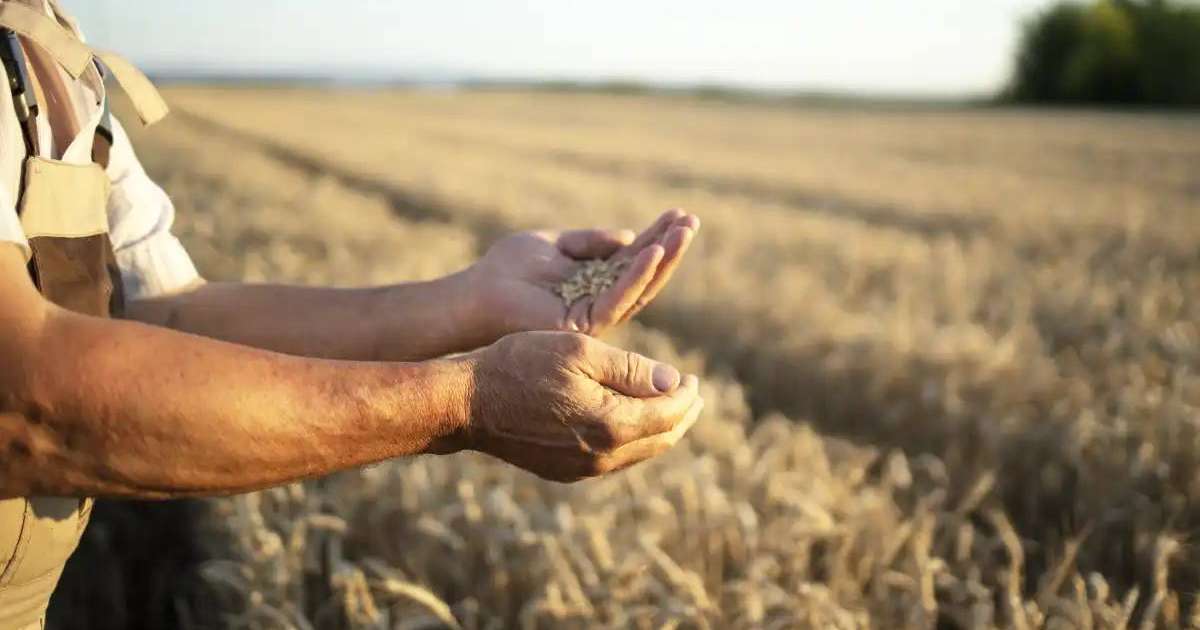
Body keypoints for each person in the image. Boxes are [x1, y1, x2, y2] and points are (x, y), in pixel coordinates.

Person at [0, 1, 703, 627]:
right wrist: (468, 402)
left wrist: (472, 298)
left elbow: (165, 316)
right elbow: (23, 397)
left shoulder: (50, 46)